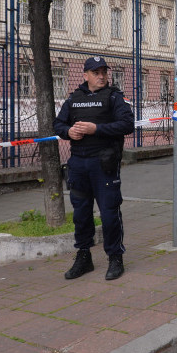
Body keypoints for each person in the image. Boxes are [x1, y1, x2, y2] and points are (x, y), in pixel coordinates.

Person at [54, 56, 135, 281]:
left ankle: (115, 257)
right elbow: (58, 125)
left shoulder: (114, 97)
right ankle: (83, 256)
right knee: (81, 214)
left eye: (103, 72)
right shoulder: (74, 99)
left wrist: (96, 129)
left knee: (109, 213)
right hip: (78, 163)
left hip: (104, 163)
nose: (101, 76)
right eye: (96, 72)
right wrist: (69, 131)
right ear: (85, 75)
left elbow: (127, 124)